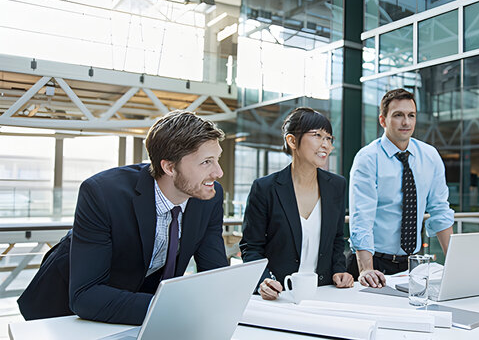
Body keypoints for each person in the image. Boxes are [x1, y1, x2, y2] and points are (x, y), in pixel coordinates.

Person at [17, 111, 229, 325]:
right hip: (65, 310)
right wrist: (173, 309)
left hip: (136, 304)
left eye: (217, 159)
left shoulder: (209, 196)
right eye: (206, 162)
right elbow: (86, 296)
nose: (218, 172)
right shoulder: (102, 193)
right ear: (169, 167)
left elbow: (214, 274)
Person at [239, 107, 353, 300]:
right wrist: (263, 281)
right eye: (317, 135)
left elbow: (336, 238)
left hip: (323, 293)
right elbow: (251, 247)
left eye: (329, 138)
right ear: (292, 140)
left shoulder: (336, 185)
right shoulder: (265, 188)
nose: (325, 144)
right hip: (279, 293)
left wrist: (339, 270)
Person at [347, 88, 454, 288]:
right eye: (398, 115)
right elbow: (362, 218)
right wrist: (367, 270)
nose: (406, 122)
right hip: (374, 262)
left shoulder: (430, 156)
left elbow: (440, 211)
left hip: (413, 265)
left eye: (411, 115)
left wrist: (457, 265)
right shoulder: (367, 158)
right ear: (382, 120)